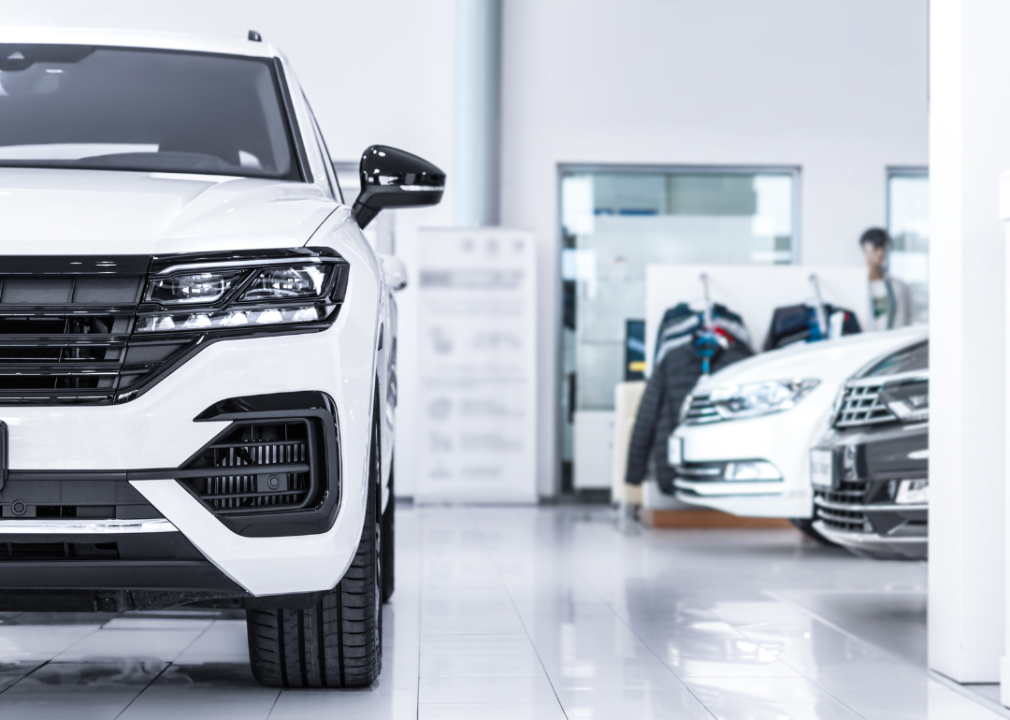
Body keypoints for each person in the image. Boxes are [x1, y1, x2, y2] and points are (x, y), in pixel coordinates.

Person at [860, 227, 911, 331]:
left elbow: (906, 320)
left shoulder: (899, 286)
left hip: (893, 343)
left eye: (883, 247)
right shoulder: (854, 284)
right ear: (864, 247)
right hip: (862, 343)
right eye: (876, 247)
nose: (881, 252)